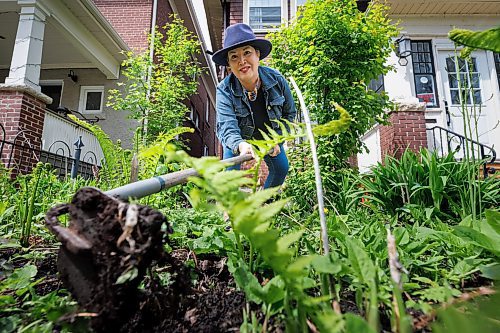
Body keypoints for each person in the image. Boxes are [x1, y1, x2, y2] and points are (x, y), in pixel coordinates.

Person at [212, 23, 296, 189]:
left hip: (269, 137)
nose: (242, 61)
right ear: (229, 64)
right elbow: (227, 126)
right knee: (231, 175)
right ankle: (231, 212)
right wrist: (241, 145)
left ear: (257, 54)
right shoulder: (224, 90)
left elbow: (289, 114)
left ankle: (263, 206)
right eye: (234, 57)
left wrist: (277, 139)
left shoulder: (277, 80)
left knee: (281, 168)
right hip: (239, 139)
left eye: (247, 52)